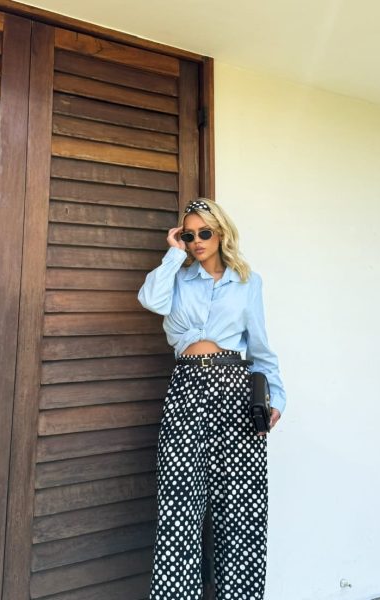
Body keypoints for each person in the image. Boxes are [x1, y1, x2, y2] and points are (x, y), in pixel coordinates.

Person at [138, 198, 287, 600]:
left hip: (235, 393)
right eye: (189, 235)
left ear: (221, 233)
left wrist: (276, 398)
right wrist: (174, 254)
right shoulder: (178, 279)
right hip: (187, 390)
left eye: (204, 232)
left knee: (240, 509)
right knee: (179, 506)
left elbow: (260, 348)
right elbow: (150, 300)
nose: (197, 241)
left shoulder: (248, 282)